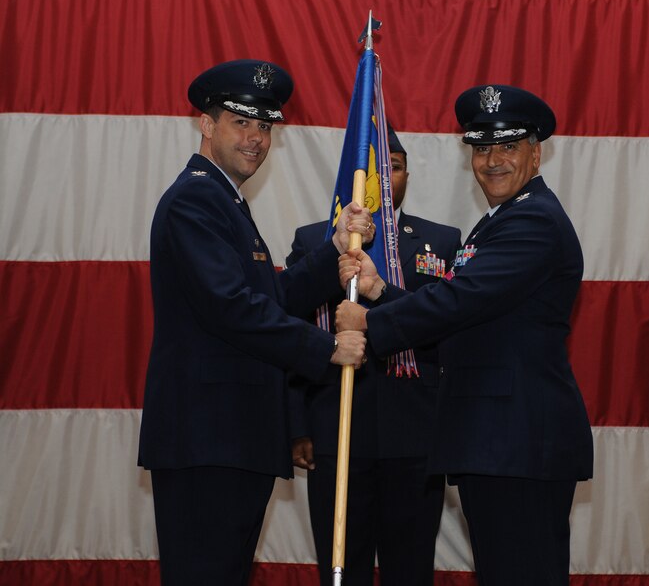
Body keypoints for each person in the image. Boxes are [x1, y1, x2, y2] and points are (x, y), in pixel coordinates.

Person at [335, 85, 594, 586]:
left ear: (535, 152)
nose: (492, 160)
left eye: (507, 146)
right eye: (480, 148)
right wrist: (380, 290)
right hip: (498, 443)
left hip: (517, 443)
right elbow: (463, 320)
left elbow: (460, 300)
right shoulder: (501, 221)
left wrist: (369, 320)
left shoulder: (534, 221)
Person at [137, 59, 374, 586]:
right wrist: (326, 347)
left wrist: (332, 253)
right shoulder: (196, 198)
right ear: (206, 123)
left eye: (265, 126)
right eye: (241, 122)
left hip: (230, 438)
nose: (255, 138)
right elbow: (233, 306)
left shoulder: (224, 200)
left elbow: (270, 294)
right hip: (208, 439)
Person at [287, 126, 461, 586]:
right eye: (374, 171)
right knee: (343, 567)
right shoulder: (314, 242)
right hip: (335, 430)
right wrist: (298, 426)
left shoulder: (441, 242)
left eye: (395, 168)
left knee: (411, 568)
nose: (383, 179)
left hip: (416, 433)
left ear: (406, 177)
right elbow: (290, 331)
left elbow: (445, 328)